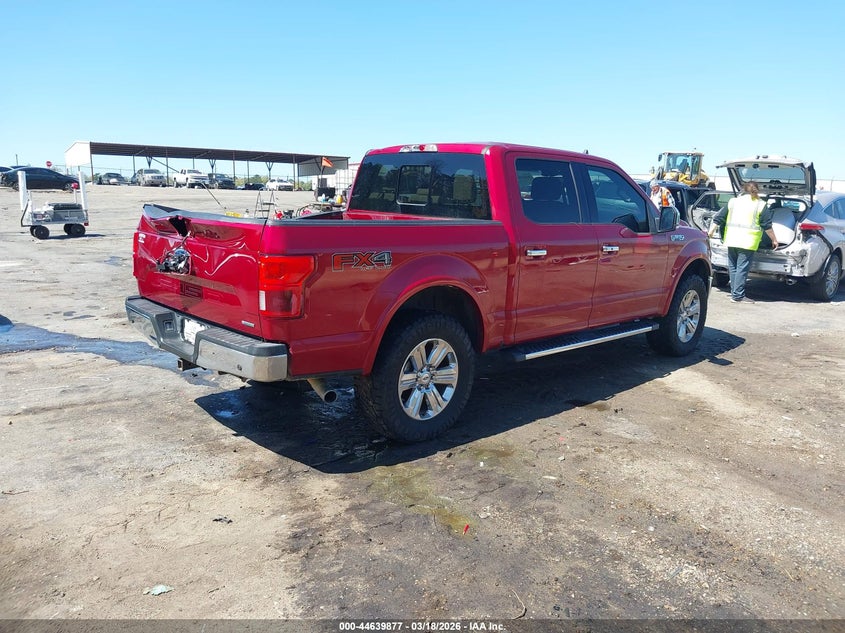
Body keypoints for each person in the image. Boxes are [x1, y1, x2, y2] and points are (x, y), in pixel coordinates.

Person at [707, 182, 779, 303]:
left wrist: (710, 233)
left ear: (742, 190)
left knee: (733, 267)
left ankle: (735, 293)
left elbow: (718, 218)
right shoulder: (760, 205)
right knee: (741, 268)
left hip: (731, 239)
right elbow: (767, 226)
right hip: (747, 242)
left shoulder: (733, 202)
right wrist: (774, 240)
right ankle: (738, 296)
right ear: (757, 190)